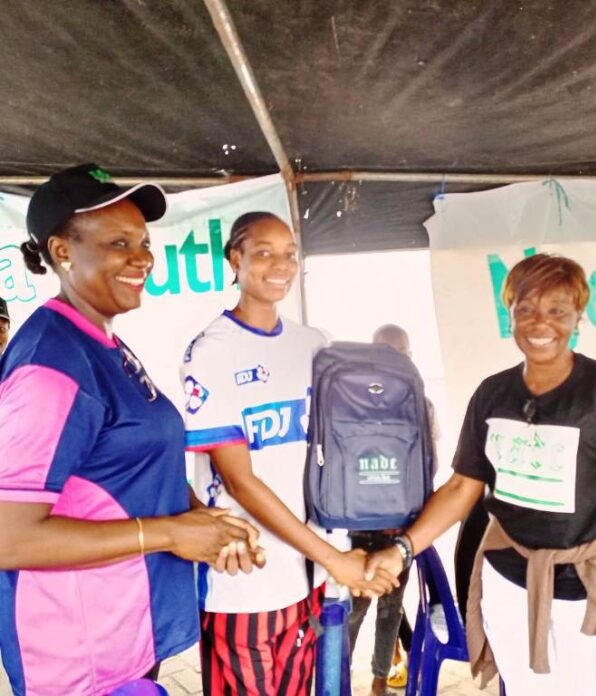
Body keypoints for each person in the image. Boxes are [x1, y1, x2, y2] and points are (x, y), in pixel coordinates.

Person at [0, 164, 260, 696]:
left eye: (143, 241)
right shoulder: (52, 364)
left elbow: (128, 463)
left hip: (124, 629)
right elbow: (8, 537)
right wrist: (171, 534)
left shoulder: (97, 341)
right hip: (78, 656)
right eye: (120, 242)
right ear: (63, 251)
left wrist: (203, 523)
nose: (142, 258)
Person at [365, 253, 596, 696]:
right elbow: (461, 488)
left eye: (556, 310)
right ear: (509, 314)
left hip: (591, 595)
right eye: (525, 309)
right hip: (508, 586)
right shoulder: (493, 394)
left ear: (578, 316)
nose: (539, 323)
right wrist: (403, 549)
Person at [181, 211, 397, 696]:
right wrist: (335, 559)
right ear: (234, 260)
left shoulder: (314, 344)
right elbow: (240, 482)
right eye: (262, 253)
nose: (279, 265)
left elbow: (335, 452)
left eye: (288, 254)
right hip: (245, 578)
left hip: (309, 575)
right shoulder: (212, 350)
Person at [347, 323, 438, 696]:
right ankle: (338, 677)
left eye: (400, 353)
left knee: (390, 610)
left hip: (399, 529)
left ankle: (379, 683)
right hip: (358, 525)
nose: (392, 361)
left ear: (410, 358)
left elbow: (426, 468)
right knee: (353, 609)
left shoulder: (423, 405)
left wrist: (408, 523)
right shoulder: (350, 403)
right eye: (384, 352)